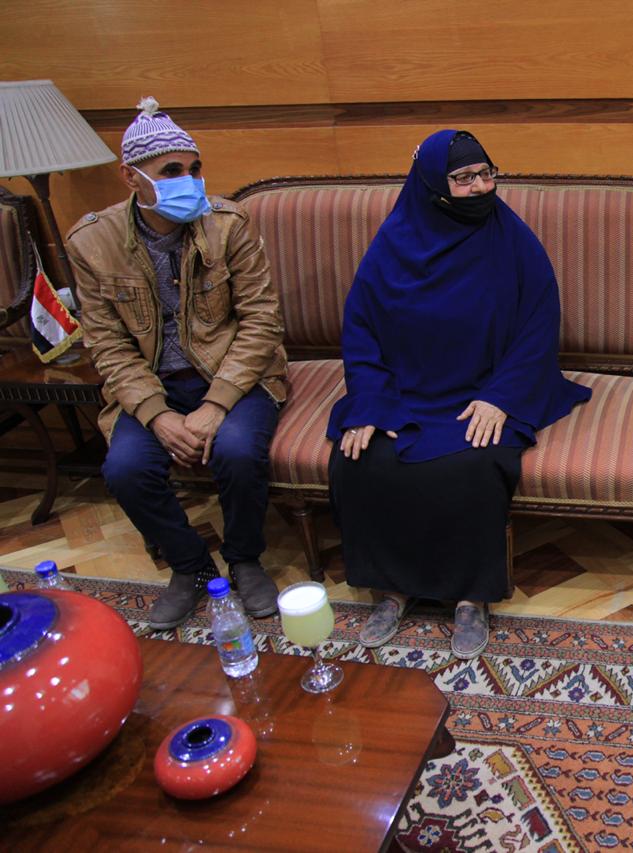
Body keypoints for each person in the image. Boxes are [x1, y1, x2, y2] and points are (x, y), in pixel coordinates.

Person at [327, 129, 590, 658]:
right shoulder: (393, 243)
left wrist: (502, 397)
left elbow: (539, 326)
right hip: (404, 391)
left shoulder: (511, 239)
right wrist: (372, 402)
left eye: (486, 174)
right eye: (464, 178)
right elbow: (361, 330)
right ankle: (392, 589)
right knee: (362, 456)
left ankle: (472, 597)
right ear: (431, 184)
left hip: (486, 390)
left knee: (474, 459)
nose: (480, 187)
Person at [67, 98, 287, 630]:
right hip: (153, 385)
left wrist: (216, 404)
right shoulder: (91, 242)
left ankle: (244, 559)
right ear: (131, 177)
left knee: (236, 450)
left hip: (233, 377)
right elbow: (107, 344)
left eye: (194, 168)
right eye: (171, 171)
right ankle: (189, 566)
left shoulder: (228, 224)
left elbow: (262, 321)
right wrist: (156, 413)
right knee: (125, 470)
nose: (188, 181)